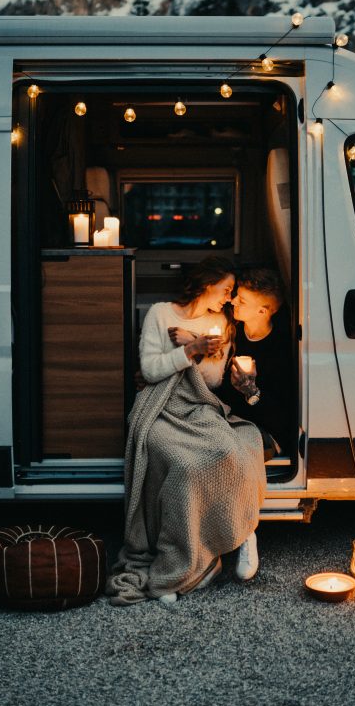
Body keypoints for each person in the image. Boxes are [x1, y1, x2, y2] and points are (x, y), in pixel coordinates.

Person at [106, 256, 267, 606]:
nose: (229, 297)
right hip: (160, 406)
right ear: (207, 283)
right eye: (226, 289)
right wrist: (191, 349)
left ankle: (239, 534)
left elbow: (211, 380)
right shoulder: (160, 314)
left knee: (229, 450)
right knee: (182, 464)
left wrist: (200, 347)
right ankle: (194, 560)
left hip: (197, 404)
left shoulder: (220, 322)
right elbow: (149, 369)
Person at [211, 267, 294, 580]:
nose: (234, 302)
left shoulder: (282, 347)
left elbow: (284, 419)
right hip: (230, 417)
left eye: (242, 300)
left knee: (233, 456)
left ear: (263, 310)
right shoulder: (231, 328)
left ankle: (246, 535)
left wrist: (252, 393)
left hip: (268, 427)